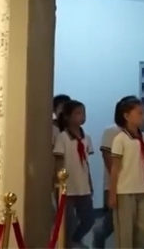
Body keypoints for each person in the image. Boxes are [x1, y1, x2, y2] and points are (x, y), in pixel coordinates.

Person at [110, 96, 144, 248]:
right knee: (125, 231)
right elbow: (115, 167)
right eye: (139, 113)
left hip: (143, 188)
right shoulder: (120, 139)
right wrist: (112, 193)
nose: (143, 117)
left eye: (143, 113)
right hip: (125, 190)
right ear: (127, 116)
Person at [93, 96, 135, 249]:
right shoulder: (111, 131)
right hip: (114, 184)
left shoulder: (138, 134)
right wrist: (116, 181)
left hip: (133, 185)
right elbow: (108, 158)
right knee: (110, 222)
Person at [53, 100, 95, 248]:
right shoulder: (63, 137)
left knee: (88, 219)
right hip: (67, 186)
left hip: (82, 185)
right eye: (77, 113)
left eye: (83, 113)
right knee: (69, 222)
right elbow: (58, 161)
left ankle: (75, 240)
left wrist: (89, 182)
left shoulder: (86, 138)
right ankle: (67, 244)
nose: (82, 116)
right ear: (67, 116)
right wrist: (59, 182)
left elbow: (86, 162)